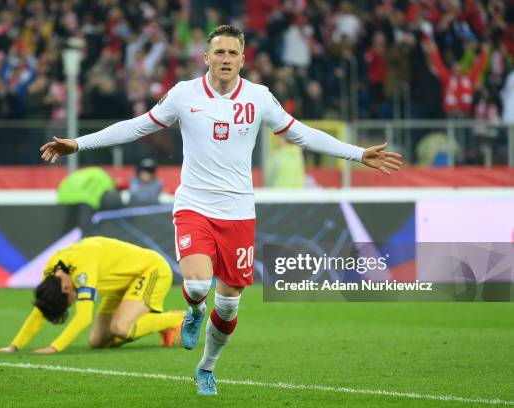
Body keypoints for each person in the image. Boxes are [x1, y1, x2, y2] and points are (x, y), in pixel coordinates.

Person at [40, 25, 402, 394]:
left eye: (233, 53)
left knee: (228, 307)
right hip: (194, 205)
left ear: (243, 60)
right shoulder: (184, 94)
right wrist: (78, 144)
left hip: (239, 212)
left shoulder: (259, 98)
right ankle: (194, 312)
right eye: (220, 53)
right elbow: (136, 128)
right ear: (207, 58)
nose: (226, 59)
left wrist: (358, 154)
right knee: (197, 285)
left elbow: (303, 134)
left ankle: (206, 368)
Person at [0, 237, 184, 354]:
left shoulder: (82, 270)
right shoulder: (52, 272)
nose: (72, 302)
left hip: (151, 270)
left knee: (119, 328)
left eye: (69, 302)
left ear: (67, 289)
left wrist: (55, 347)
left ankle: (178, 319)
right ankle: (162, 325)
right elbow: (43, 307)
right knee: (97, 342)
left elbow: (84, 317)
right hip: (120, 286)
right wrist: (14, 346)